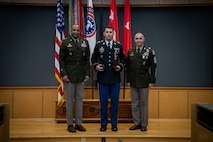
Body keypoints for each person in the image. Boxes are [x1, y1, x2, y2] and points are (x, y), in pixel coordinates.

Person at [91, 26, 126, 132]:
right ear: (104, 33)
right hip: (103, 79)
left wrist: (120, 65)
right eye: (107, 32)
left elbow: (123, 59)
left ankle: (114, 124)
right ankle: (103, 124)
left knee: (115, 103)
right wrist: (96, 66)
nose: (109, 34)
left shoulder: (118, 45)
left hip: (115, 80)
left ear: (113, 33)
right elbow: (93, 58)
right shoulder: (99, 45)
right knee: (103, 103)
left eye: (111, 32)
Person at [59, 24, 90, 133]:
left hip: (80, 75)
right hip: (69, 75)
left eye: (77, 30)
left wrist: (87, 73)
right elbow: (61, 60)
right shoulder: (65, 42)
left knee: (79, 100)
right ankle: (70, 124)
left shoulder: (84, 42)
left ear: (80, 31)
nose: (76, 31)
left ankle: (78, 123)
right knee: (69, 101)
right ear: (71, 31)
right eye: (74, 30)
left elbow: (87, 60)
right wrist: (64, 74)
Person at [126, 32, 157, 131]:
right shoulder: (131, 51)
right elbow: (128, 68)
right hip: (134, 81)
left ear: (143, 40)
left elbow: (153, 67)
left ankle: (144, 124)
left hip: (144, 81)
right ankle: (136, 123)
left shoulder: (149, 51)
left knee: (143, 103)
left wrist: (152, 81)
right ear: (134, 40)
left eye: (140, 38)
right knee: (134, 103)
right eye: (136, 38)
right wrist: (128, 80)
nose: (138, 40)